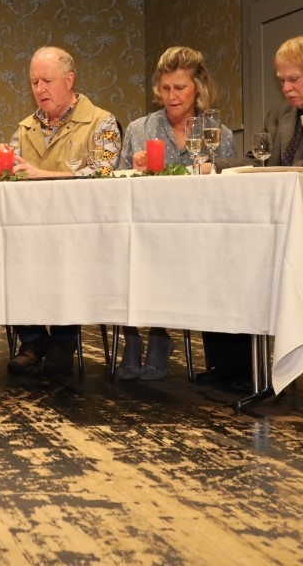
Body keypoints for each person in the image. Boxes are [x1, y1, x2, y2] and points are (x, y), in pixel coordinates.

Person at [206, 35, 303, 396]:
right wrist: (214, 164)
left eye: (294, 79)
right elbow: (261, 161)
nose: (286, 87)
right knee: (233, 249)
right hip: (283, 215)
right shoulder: (279, 114)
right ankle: (240, 365)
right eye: (281, 80)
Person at [114, 45, 236, 381]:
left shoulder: (217, 134)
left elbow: (229, 188)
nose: (171, 96)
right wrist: (135, 169)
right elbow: (117, 187)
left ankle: (159, 334)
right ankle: (132, 338)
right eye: (165, 88)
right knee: (127, 249)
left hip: (196, 232)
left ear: (198, 88)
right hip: (145, 228)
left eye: (180, 87)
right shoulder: (140, 129)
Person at [6, 46, 121, 374]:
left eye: (47, 81)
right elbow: (12, 172)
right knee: (5, 250)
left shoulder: (102, 122)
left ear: (69, 80)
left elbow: (102, 171)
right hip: (31, 230)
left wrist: (41, 174)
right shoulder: (25, 128)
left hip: (79, 232)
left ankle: (64, 337)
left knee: (66, 255)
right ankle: (32, 339)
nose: (39, 89)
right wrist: (3, 165)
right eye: (34, 83)